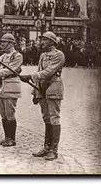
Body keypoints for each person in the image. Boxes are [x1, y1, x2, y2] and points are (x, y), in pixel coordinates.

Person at [20, 31, 65, 161]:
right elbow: (40, 71)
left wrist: (30, 77)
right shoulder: (43, 55)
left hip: (53, 87)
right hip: (42, 88)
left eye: (45, 40)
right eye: (42, 39)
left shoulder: (59, 55)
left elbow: (49, 71)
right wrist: (35, 92)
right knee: (46, 118)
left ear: (52, 41)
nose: (42, 42)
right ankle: (46, 147)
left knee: (54, 118)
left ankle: (53, 150)